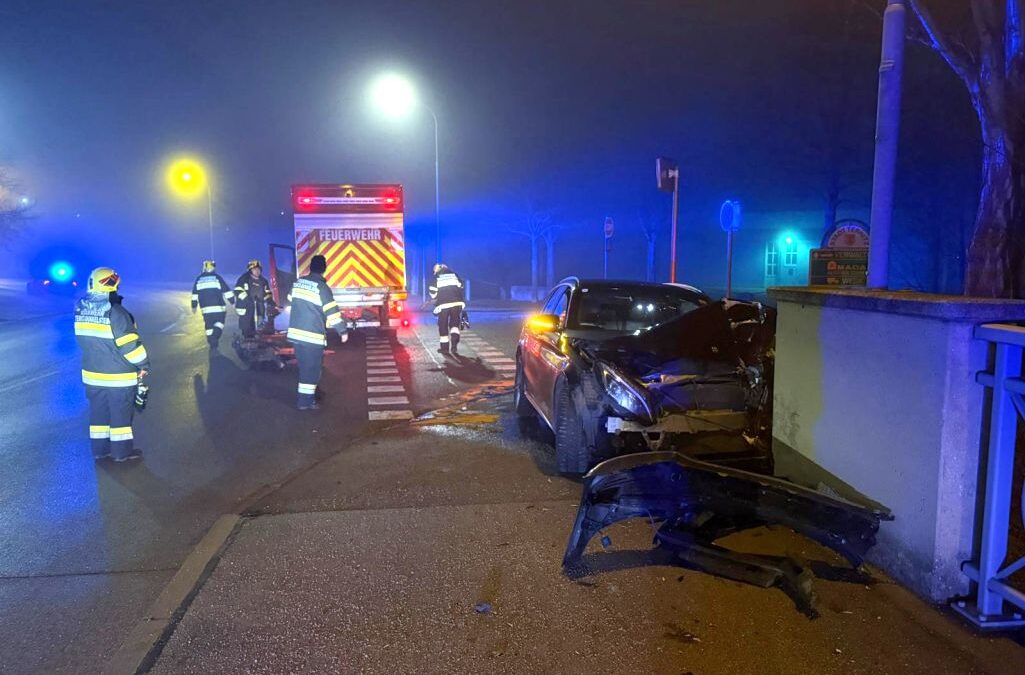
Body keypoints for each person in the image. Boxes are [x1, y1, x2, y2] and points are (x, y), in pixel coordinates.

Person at [73, 267, 149, 462]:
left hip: (92, 374)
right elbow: (130, 346)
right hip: (118, 378)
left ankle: (100, 450)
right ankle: (121, 453)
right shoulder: (116, 312)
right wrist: (144, 365)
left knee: (98, 415)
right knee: (120, 418)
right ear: (111, 284)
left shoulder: (80, 307)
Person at [286, 254, 342, 410]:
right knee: (312, 370)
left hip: (296, 336)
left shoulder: (298, 283)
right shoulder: (322, 288)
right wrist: (342, 331)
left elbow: (290, 298)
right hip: (312, 337)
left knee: (305, 368)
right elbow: (332, 312)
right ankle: (305, 402)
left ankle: (305, 399)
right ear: (324, 269)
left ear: (310, 268)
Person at [190, 260, 234, 349]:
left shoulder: (199, 279)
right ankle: (214, 337)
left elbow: (194, 294)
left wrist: (194, 306)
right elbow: (226, 290)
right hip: (219, 308)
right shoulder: (217, 277)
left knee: (209, 325)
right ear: (214, 268)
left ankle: (212, 342)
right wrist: (232, 301)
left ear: (204, 267)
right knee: (220, 323)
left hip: (205, 309)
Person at [428, 262, 466, 355]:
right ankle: (454, 345)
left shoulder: (437, 276)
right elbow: (461, 285)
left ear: (437, 270)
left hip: (443, 304)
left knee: (443, 325)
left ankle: (444, 349)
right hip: (457, 303)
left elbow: (432, 290)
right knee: (454, 324)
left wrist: (434, 297)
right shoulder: (454, 274)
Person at [234, 259, 275, 338]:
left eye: (258, 269)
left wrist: (271, 302)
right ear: (250, 270)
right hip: (245, 307)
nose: (257, 271)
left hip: (259, 307)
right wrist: (247, 299)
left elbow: (267, 293)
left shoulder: (263, 281)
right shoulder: (244, 279)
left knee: (260, 324)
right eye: (255, 269)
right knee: (247, 325)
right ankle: (247, 338)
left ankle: (259, 337)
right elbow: (237, 290)